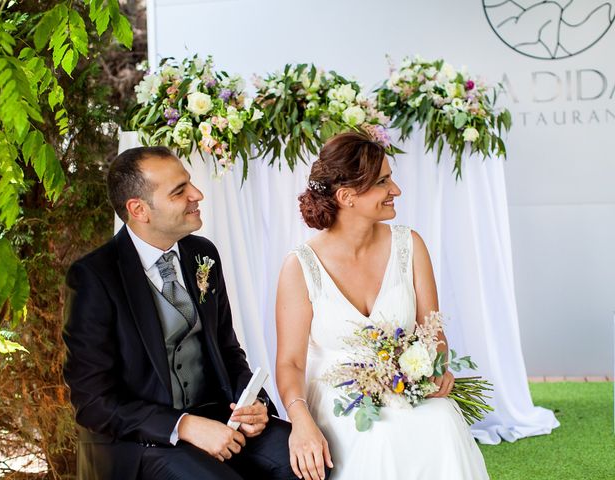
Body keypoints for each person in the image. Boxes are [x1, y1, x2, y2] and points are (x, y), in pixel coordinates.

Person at [63, 146, 299, 480]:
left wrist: (254, 403)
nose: (197, 194)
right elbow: (93, 402)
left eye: (190, 183)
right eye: (180, 191)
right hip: (144, 442)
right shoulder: (94, 277)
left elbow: (228, 350)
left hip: (220, 418)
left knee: (307, 459)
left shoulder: (203, 254)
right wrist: (183, 426)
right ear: (139, 209)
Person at [275, 131, 489, 480]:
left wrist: (434, 369)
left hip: (406, 385)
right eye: (383, 181)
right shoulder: (300, 266)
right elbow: (291, 361)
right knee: (382, 437)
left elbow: (432, 332)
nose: (396, 190)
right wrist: (300, 421)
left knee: (443, 422)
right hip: (338, 394)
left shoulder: (410, 245)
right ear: (347, 197)